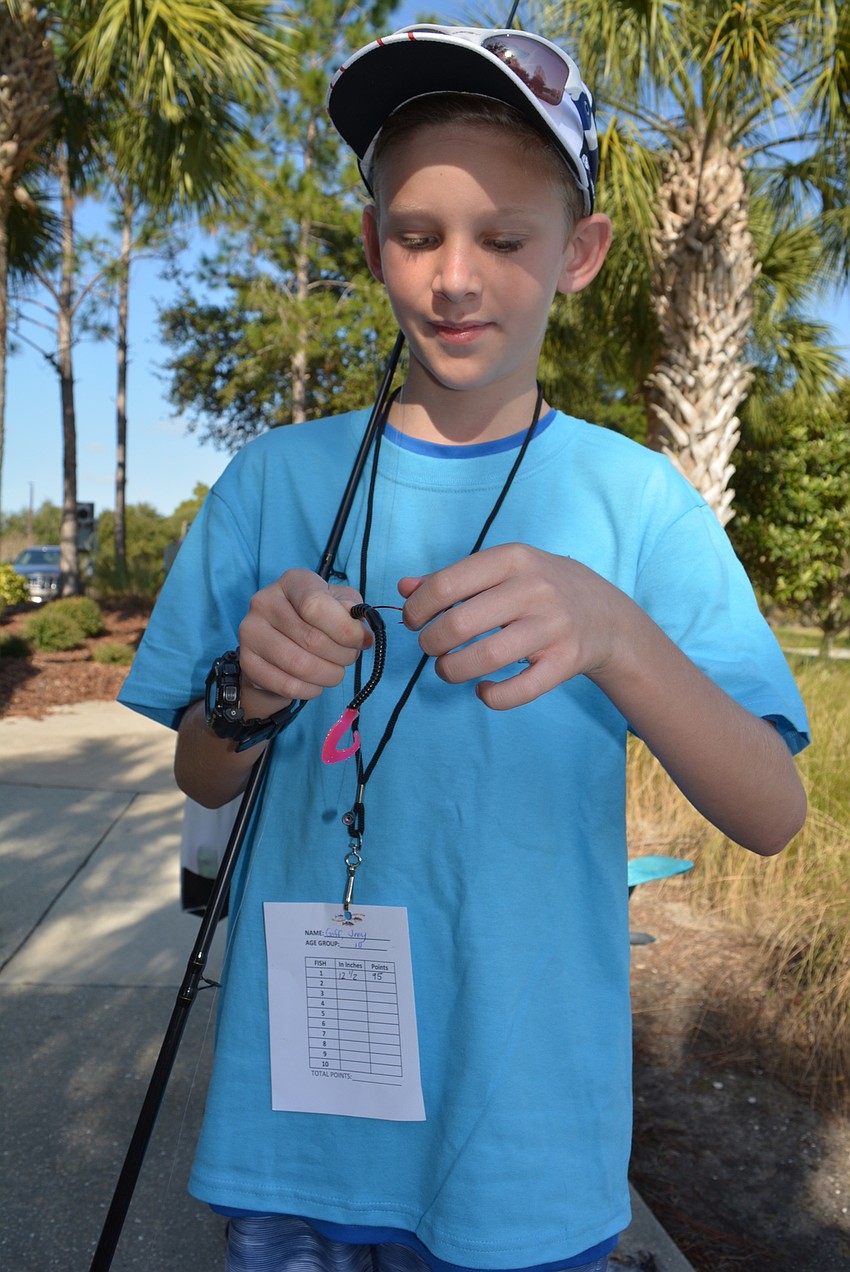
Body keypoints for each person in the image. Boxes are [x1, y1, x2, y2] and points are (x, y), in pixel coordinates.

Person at [118, 24, 809, 1272]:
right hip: (296, 1128)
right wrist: (247, 691)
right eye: (416, 233)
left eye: (504, 239)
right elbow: (200, 773)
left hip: (523, 1138)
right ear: (370, 242)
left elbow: (770, 813)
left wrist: (616, 633)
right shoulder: (271, 481)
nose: (453, 278)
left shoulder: (639, 500)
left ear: (579, 253)